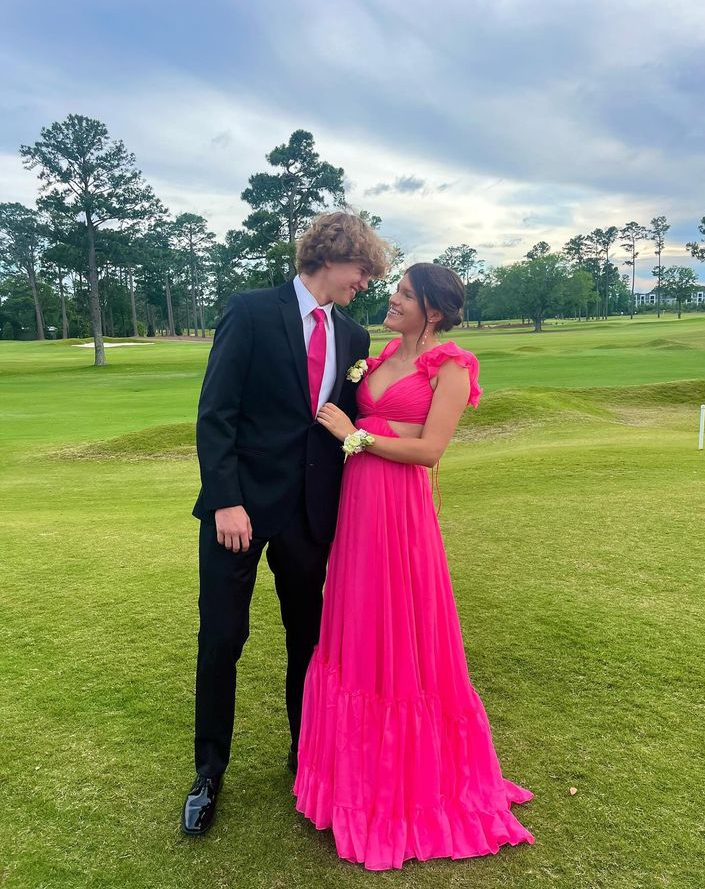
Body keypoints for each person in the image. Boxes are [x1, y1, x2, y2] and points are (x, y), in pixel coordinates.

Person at [294, 263, 535, 870]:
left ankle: (411, 788)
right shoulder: (374, 361)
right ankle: (350, 781)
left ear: (432, 310)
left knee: (404, 628)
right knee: (358, 627)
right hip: (358, 508)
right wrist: (366, 431)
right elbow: (382, 421)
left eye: (404, 294)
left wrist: (359, 435)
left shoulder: (452, 365)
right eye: (395, 291)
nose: (392, 300)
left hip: (400, 511)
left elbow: (429, 450)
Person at [181, 211, 390, 836]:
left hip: (309, 514)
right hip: (237, 513)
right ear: (332, 256)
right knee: (223, 638)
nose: (365, 283)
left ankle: (306, 759)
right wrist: (225, 499)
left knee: (309, 641)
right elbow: (216, 413)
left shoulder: (352, 337)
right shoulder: (249, 311)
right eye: (362, 270)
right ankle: (209, 772)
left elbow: (344, 421)